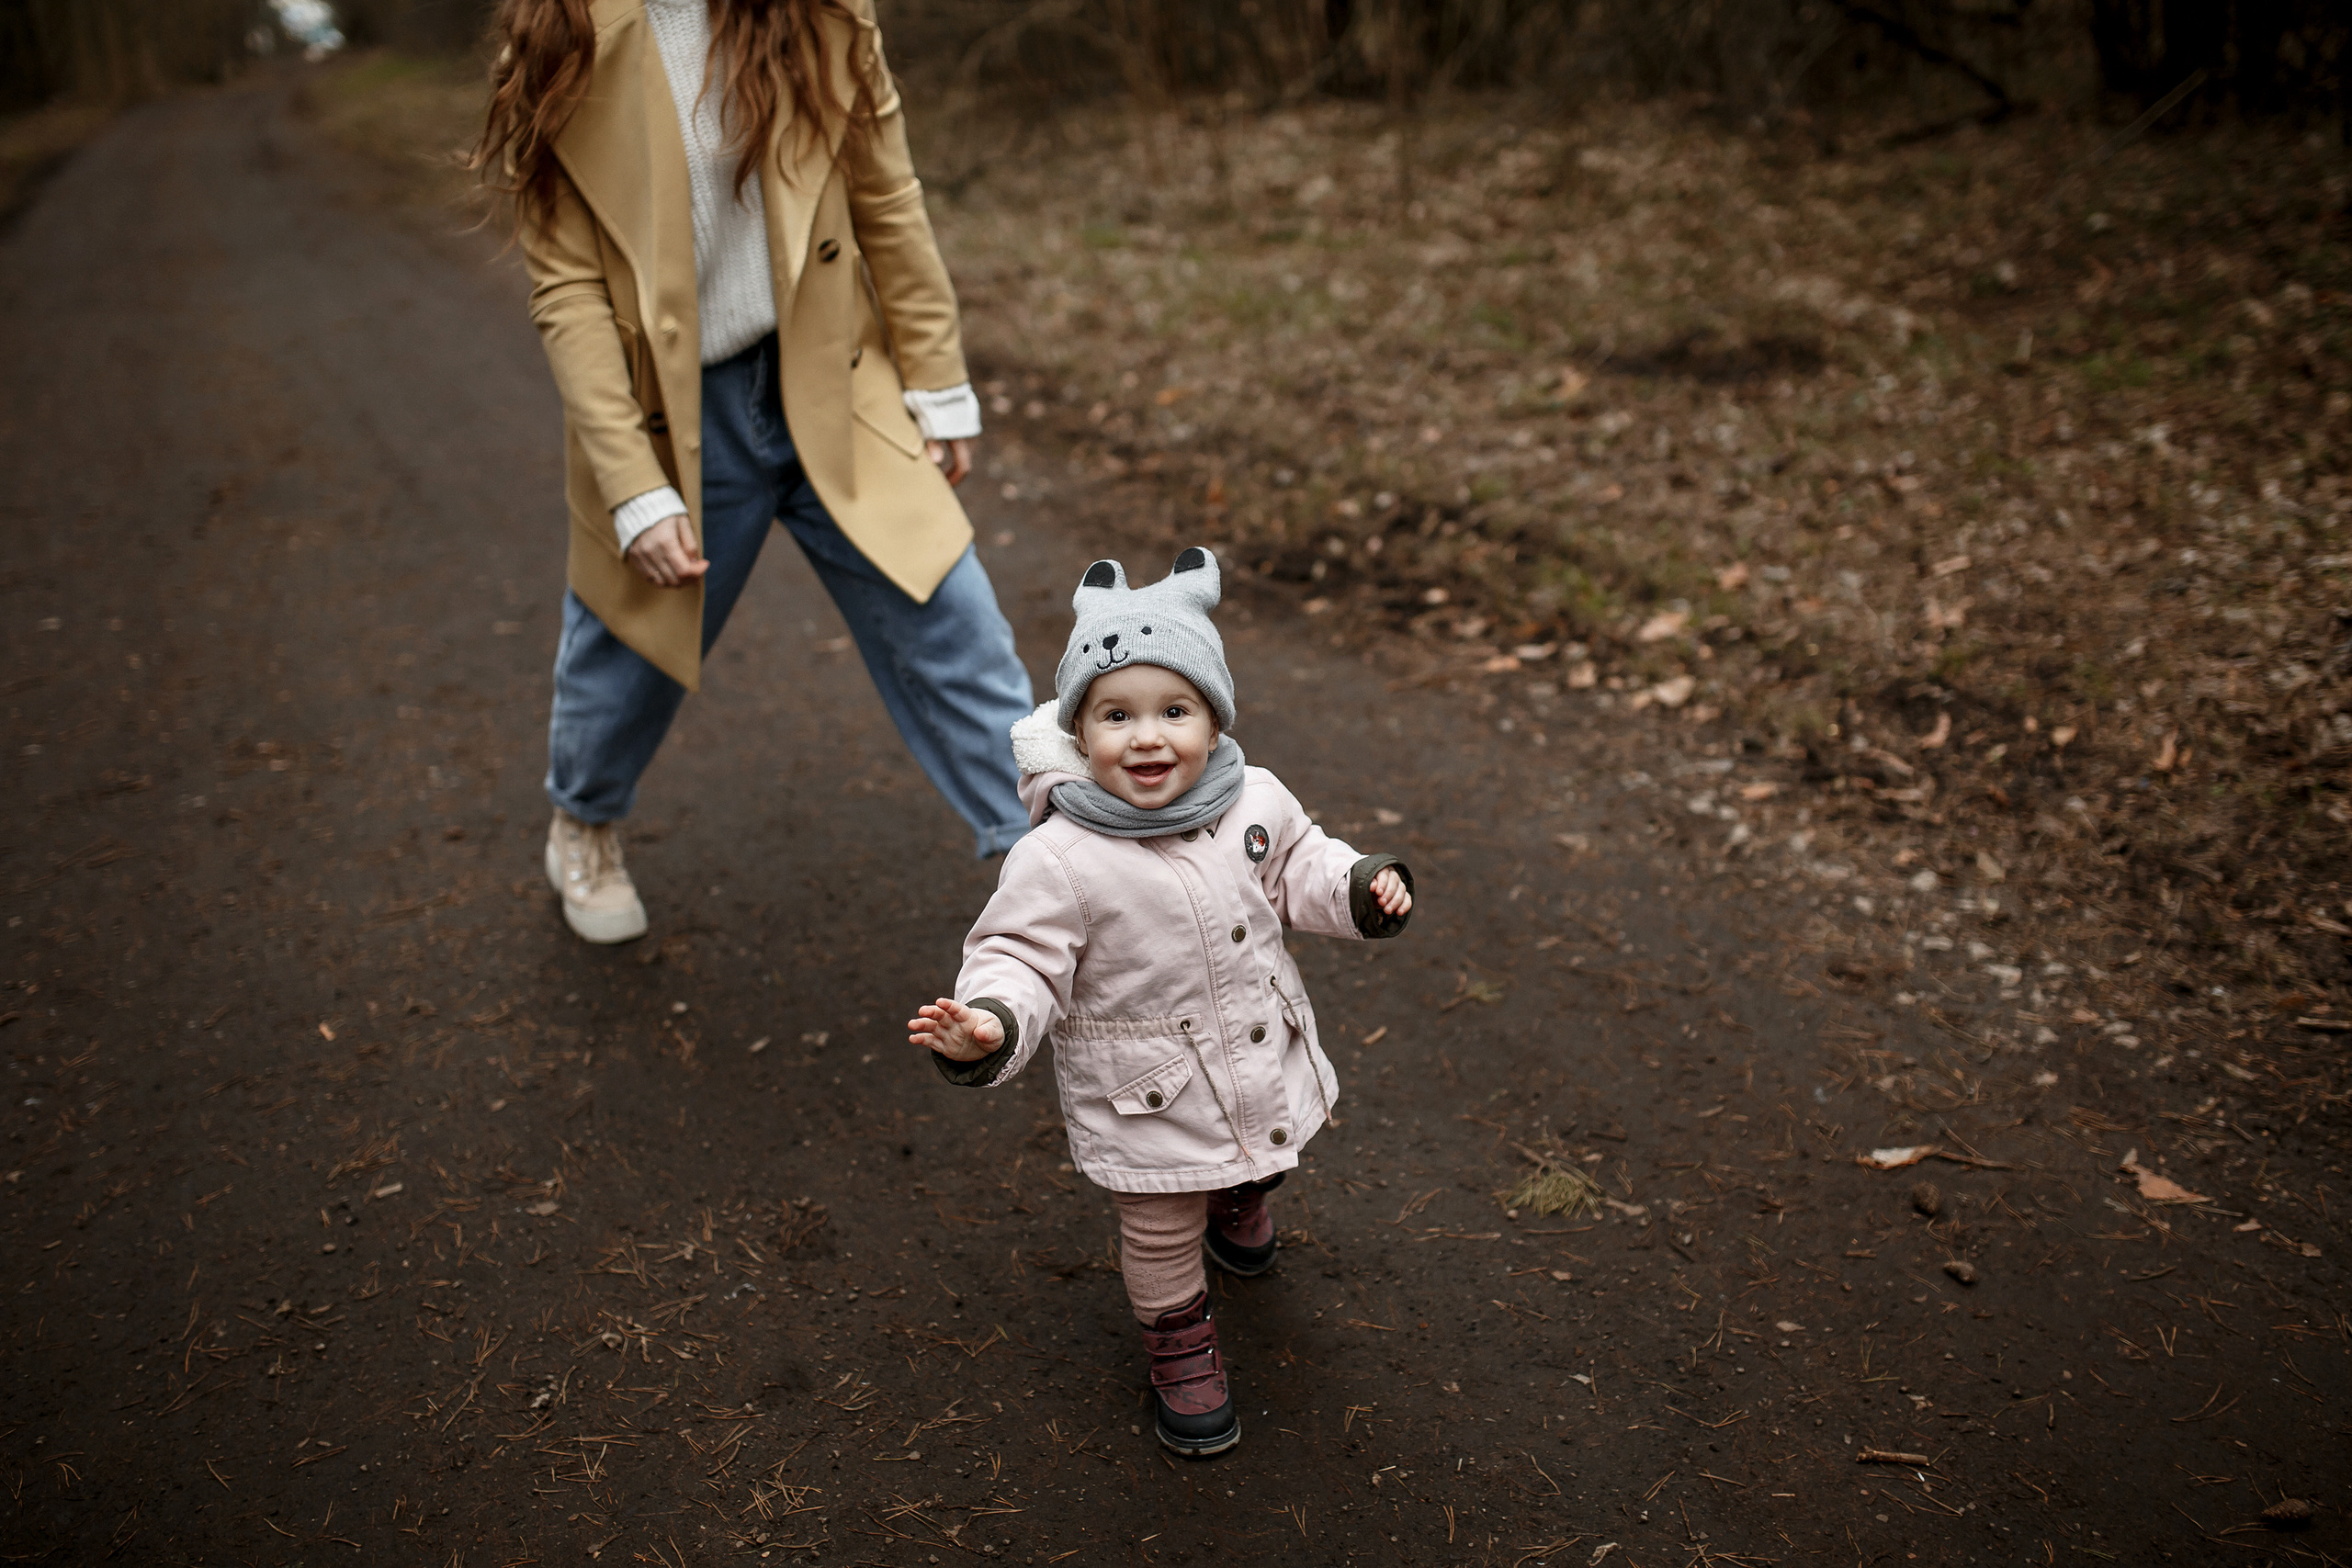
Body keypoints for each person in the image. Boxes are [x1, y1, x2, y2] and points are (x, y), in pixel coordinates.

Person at [474, 0, 1035, 943]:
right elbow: (566, 287)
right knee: (630, 653)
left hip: (832, 382)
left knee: (953, 621)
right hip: (671, 417)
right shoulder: (565, 35)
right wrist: (631, 486)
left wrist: (936, 377)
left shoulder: (820, 13)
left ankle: (1060, 864)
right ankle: (584, 820)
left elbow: (886, 193)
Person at [907, 547, 1415, 1457]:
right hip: (1148, 1089)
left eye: (1173, 711)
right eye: (1116, 716)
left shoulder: (1252, 798)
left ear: (1212, 719)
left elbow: (1301, 866)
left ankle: (1242, 1200)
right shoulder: (1060, 856)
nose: (1147, 738)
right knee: (1158, 1224)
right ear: (1080, 729)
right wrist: (992, 1020)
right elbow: (1017, 954)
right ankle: (1181, 1349)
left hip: (1255, 1051)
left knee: (1261, 1150)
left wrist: (1361, 885)